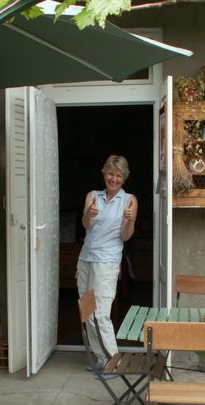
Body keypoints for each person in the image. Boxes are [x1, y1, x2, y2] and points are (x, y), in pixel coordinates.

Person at [77, 154, 138, 370]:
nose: (114, 179)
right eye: (111, 174)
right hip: (86, 259)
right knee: (87, 312)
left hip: (106, 263)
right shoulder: (93, 196)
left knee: (100, 314)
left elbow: (125, 236)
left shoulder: (129, 200)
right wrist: (89, 214)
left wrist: (129, 221)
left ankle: (113, 361)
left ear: (124, 177)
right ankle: (101, 358)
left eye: (118, 175)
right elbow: (86, 224)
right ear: (104, 173)